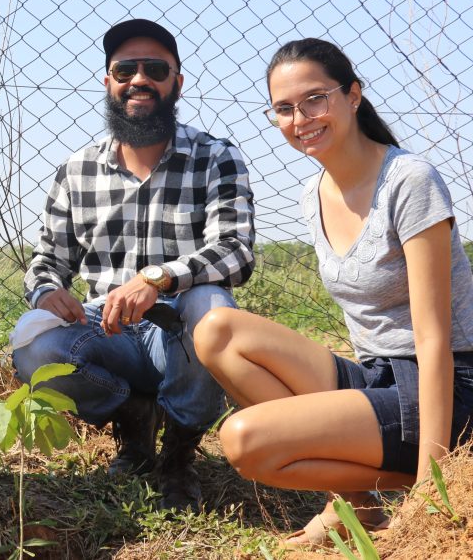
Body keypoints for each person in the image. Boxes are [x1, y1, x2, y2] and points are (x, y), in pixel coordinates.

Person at [193, 38, 473, 545]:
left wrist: (439, 485)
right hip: (377, 376)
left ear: (353, 96)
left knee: (244, 440)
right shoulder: (313, 193)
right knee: (218, 331)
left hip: (447, 386)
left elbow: (434, 340)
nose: (301, 118)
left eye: (315, 99)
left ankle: (440, 481)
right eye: (284, 108)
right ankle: (357, 505)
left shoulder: (409, 181)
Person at [11, 19, 255, 511]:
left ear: (177, 83)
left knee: (211, 305)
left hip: (180, 328)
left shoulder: (215, 158)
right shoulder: (77, 169)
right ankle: (133, 420)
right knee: (34, 345)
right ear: (108, 81)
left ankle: (179, 456)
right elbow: (47, 260)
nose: (138, 79)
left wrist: (158, 278)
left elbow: (236, 250)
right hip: (109, 330)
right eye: (125, 69)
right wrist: (46, 291)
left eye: (155, 69)